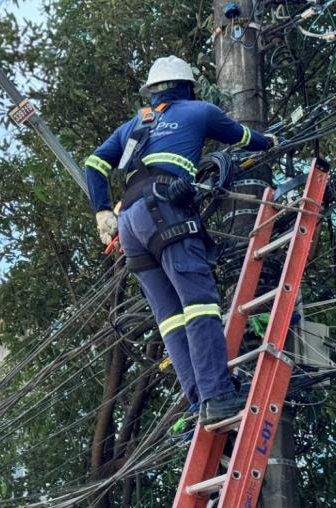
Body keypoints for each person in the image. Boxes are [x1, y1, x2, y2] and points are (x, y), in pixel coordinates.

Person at [84, 55, 276, 425]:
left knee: (170, 318)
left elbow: (94, 164)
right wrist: (269, 141)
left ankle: (197, 401)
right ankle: (217, 395)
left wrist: (102, 210)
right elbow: (244, 138)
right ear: (188, 87)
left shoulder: (135, 124)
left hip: (130, 225)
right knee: (200, 304)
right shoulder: (199, 111)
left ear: (153, 92)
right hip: (165, 210)